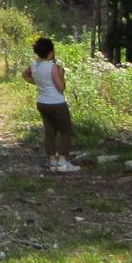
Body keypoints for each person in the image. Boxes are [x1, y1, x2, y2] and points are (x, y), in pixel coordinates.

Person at [22, 37, 78, 173]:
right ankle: (62, 161)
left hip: (42, 102)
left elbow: (25, 75)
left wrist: (37, 83)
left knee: (49, 133)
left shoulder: (34, 65)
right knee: (66, 132)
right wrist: (62, 75)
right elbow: (61, 87)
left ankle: (52, 161)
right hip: (56, 102)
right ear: (50, 52)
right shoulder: (53, 68)